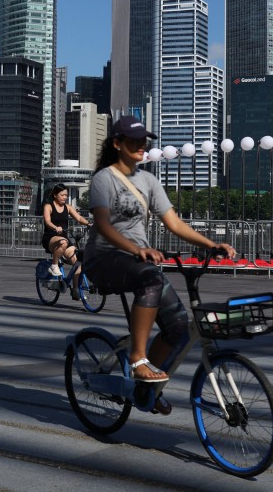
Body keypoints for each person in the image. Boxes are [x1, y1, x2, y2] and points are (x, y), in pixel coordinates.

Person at [84, 116, 235, 404]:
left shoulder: (148, 180)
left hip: (136, 261)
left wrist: (211, 244)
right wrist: (135, 248)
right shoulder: (103, 178)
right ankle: (138, 358)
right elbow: (103, 225)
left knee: (178, 325)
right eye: (134, 141)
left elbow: (174, 223)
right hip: (103, 258)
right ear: (117, 144)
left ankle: (144, 389)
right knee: (151, 278)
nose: (141, 146)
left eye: (144, 141)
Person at [41, 184, 90, 297]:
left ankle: (76, 290)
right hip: (50, 237)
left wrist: (88, 223)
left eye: (66, 195)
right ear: (55, 195)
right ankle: (54, 265)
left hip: (64, 237)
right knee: (63, 242)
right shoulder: (48, 206)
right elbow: (47, 221)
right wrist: (55, 227)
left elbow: (78, 218)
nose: (64, 197)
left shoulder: (67, 207)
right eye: (62, 195)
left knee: (77, 262)